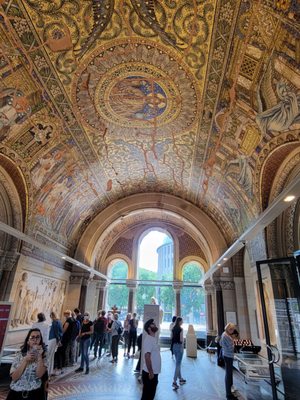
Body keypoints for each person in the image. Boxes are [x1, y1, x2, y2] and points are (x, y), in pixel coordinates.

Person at [6, 328, 47, 400]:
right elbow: (14, 377)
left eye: (38, 337)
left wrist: (39, 356)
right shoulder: (19, 355)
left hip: (35, 393)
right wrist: (25, 360)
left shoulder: (44, 356)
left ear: (40, 340)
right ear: (28, 341)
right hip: (16, 393)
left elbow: (39, 374)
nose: (35, 340)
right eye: (32, 337)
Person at [141, 319, 161, 400]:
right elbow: (147, 357)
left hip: (153, 372)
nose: (155, 325)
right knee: (147, 396)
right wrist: (151, 372)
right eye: (153, 324)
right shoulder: (149, 339)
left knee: (150, 396)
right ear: (149, 328)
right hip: (149, 373)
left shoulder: (152, 339)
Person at [220, 323, 238, 400]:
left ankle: (229, 392)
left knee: (229, 374)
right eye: (232, 329)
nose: (233, 331)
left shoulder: (224, 334)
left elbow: (221, 344)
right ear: (229, 329)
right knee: (228, 374)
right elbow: (231, 348)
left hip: (227, 355)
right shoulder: (226, 336)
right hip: (228, 356)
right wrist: (234, 342)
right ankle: (229, 394)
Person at [171, 317, 186, 390]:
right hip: (179, 347)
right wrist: (182, 346)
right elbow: (181, 340)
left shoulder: (173, 328)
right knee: (178, 364)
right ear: (179, 322)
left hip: (174, 346)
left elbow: (171, 338)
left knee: (178, 363)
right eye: (182, 321)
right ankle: (174, 381)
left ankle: (180, 379)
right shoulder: (181, 329)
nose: (182, 322)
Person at [48, 311, 63, 377]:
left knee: (50, 356)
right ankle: (50, 370)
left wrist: (58, 340)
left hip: (53, 339)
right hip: (55, 339)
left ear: (52, 316)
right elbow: (61, 331)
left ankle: (49, 371)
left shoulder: (55, 322)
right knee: (52, 355)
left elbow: (56, 332)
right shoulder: (59, 321)